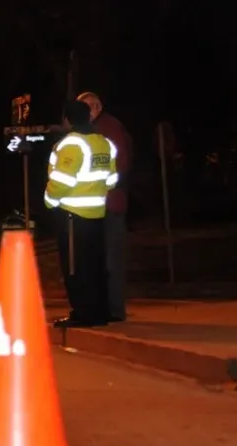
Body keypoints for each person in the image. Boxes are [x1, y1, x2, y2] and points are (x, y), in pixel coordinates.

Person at [44, 100, 118, 328]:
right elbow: (112, 180)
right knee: (96, 264)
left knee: (76, 267)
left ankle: (83, 313)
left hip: (72, 215)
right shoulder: (103, 143)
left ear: (67, 119)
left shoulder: (72, 144)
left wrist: (49, 201)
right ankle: (100, 311)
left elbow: (62, 181)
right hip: (97, 214)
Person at [77, 91, 133, 322]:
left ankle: (113, 310)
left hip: (109, 203)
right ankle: (106, 308)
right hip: (101, 203)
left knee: (110, 259)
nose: (86, 112)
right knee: (102, 258)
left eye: (89, 107)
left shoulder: (107, 129)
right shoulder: (99, 129)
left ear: (98, 107)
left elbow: (119, 164)